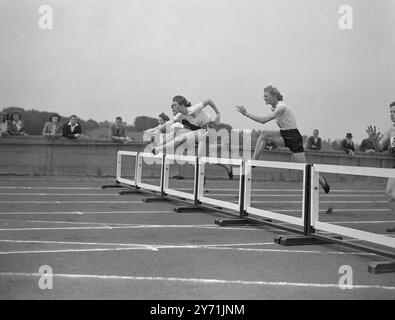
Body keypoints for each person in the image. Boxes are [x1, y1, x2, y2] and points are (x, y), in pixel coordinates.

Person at [235, 85, 330, 193]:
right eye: (263, 96)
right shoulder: (274, 108)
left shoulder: (281, 107)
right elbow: (283, 125)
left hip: (293, 137)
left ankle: (322, 181)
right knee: (264, 135)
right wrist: (275, 139)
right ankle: (253, 163)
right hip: (285, 134)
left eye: (266, 96)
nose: (264, 98)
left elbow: (264, 120)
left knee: (305, 168)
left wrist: (246, 114)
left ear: (274, 96)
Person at [152, 95, 233, 179]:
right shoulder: (179, 116)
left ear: (182, 105)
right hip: (200, 134)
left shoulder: (194, 109)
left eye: (174, 105)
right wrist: (156, 131)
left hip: (209, 131)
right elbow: (169, 123)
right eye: (172, 105)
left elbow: (209, 100)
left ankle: (159, 149)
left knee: (184, 139)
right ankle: (204, 174)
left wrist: (218, 114)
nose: (172, 107)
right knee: (202, 157)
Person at [366, 101, 395, 232]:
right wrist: (374, 141)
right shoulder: (391, 130)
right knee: (390, 193)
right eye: (391, 112)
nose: (392, 115)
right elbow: (380, 147)